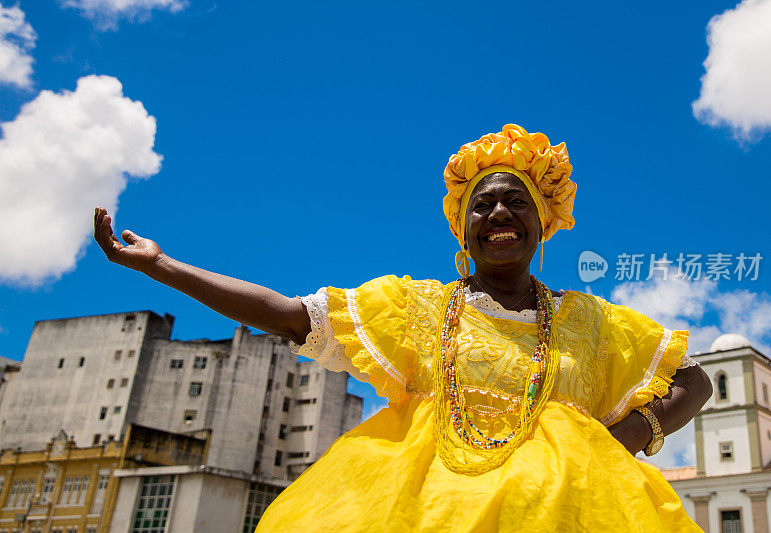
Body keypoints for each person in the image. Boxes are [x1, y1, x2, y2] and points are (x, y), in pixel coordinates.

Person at [94, 124, 712, 532]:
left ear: (543, 221)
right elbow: (287, 315)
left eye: (517, 200)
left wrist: (624, 436)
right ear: (461, 223)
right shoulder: (412, 309)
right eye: (482, 202)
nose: (499, 211)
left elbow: (694, 379)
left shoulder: (593, 322)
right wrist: (162, 266)